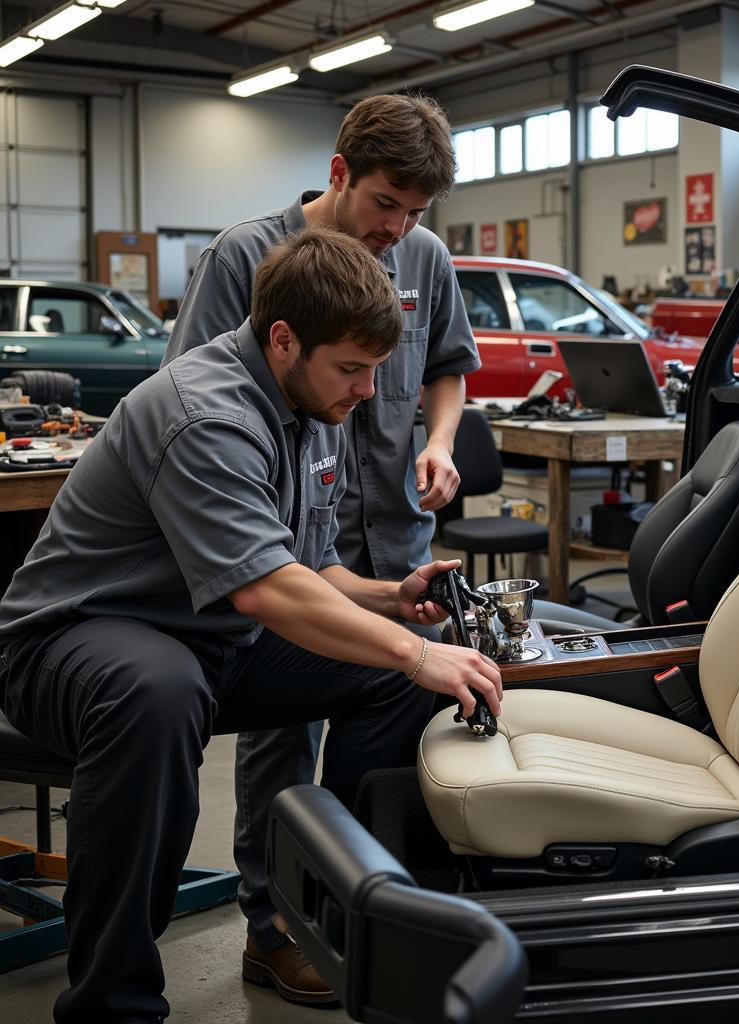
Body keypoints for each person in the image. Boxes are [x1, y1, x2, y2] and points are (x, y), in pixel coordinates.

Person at [0, 226, 502, 1024]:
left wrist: (391, 601)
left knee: (400, 680)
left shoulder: (310, 406)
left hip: (209, 639)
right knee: (156, 692)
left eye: (375, 369)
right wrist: (413, 653)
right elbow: (268, 592)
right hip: (74, 641)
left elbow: (307, 569)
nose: (369, 392)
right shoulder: (205, 414)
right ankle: (110, 1002)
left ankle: (331, 919)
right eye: (352, 369)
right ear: (282, 339)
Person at [161, 93, 480, 1003]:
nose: (400, 228)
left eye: (418, 213)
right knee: (282, 734)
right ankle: (273, 926)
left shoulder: (420, 255)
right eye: (387, 204)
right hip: (288, 540)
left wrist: (438, 441)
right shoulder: (246, 255)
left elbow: (447, 364)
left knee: (388, 713)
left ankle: (354, 902)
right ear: (339, 173)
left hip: (389, 530)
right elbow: (198, 394)